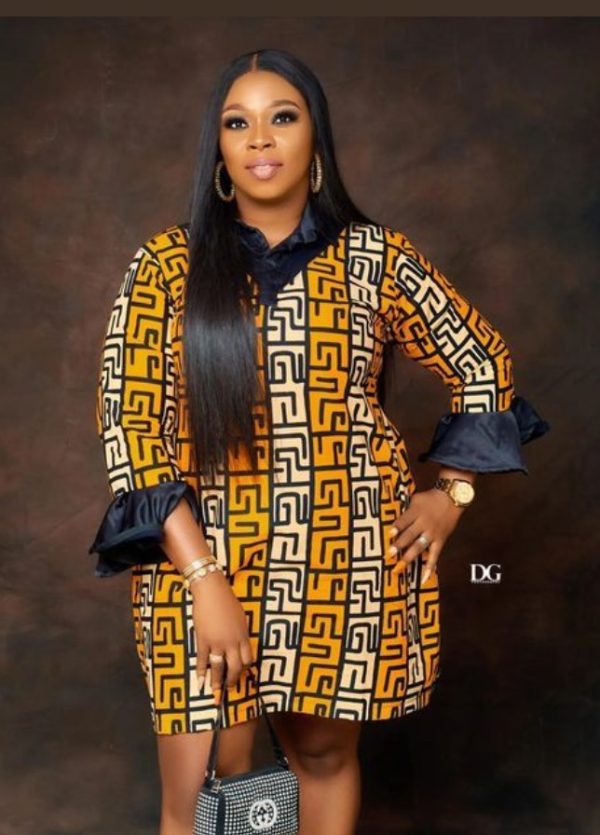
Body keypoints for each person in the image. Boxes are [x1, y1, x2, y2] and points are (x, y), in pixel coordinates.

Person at [88, 48, 550, 835]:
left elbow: (483, 363)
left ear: (315, 139)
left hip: (342, 553)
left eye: (282, 116)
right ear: (220, 151)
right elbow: (131, 429)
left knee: (324, 758)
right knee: (202, 796)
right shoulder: (166, 266)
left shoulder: (377, 258)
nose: (260, 138)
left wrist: (453, 494)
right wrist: (202, 577)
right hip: (200, 553)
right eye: (238, 123)